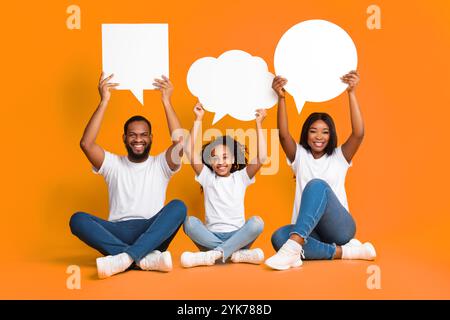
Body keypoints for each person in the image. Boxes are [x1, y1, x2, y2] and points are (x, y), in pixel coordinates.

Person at [70, 73, 186, 278]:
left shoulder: (160, 164)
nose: (138, 139)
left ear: (151, 138)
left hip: (152, 231)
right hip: (117, 231)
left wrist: (166, 101)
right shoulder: (112, 164)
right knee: (77, 220)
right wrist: (104, 101)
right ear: (124, 138)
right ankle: (144, 260)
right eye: (132, 135)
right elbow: (86, 144)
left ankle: (124, 259)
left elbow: (180, 144)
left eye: (143, 135)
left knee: (178, 207)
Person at [265, 71, 376, 271]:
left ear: (331, 134)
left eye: (325, 132)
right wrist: (282, 98)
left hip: (340, 229)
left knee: (317, 185)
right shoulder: (299, 156)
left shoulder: (339, 157)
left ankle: (294, 246)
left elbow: (358, 133)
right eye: (313, 131)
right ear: (306, 134)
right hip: (310, 232)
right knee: (278, 237)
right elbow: (283, 135)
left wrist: (351, 93)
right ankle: (347, 252)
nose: (319, 136)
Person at [180, 102, 266, 268]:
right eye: (215, 158)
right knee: (189, 222)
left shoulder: (240, 178)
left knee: (257, 222)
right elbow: (189, 151)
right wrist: (198, 119)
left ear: (233, 160)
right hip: (210, 237)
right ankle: (235, 254)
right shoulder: (207, 177)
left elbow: (261, 157)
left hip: (238, 237)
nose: (220, 162)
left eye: (225, 157)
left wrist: (258, 123)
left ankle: (215, 255)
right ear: (210, 162)